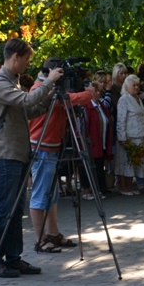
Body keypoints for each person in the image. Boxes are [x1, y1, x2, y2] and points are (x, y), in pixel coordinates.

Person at [0, 38, 58, 279]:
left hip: (19, 152)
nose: (28, 64)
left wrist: (49, 96)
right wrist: (48, 82)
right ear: (15, 57)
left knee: (16, 211)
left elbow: (30, 110)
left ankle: (13, 259)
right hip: (7, 154)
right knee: (4, 209)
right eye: (27, 59)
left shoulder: (12, 82)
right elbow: (26, 101)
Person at [24, 62, 95, 251]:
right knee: (41, 194)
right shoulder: (41, 88)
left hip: (52, 147)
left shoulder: (48, 87)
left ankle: (53, 233)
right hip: (42, 147)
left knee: (51, 194)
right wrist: (90, 93)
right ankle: (40, 240)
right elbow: (69, 100)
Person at [115, 75, 144, 194]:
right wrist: (122, 137)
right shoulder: (124, 99)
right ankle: (124, 187)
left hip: (139, 134)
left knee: (134, 162)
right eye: (134, 85)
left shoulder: (137, 98)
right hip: (128, 136)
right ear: (126, 86)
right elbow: (121, 120)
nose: (136, 87)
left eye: (137, 85)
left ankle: (129, 187)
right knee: (125, 163)